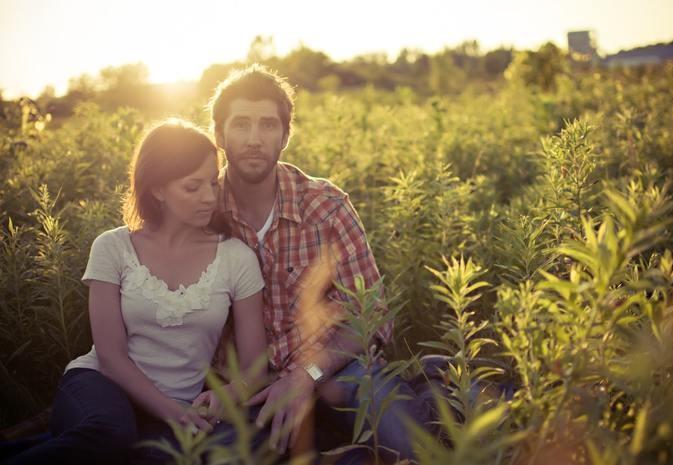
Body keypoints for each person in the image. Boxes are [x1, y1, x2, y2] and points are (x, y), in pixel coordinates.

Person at [3, 119, 268, 465]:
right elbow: (111, 357)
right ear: (157, 189)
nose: (209, 197)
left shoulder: (237, 258)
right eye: (192, 187)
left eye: (212, 184)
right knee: (111, 433)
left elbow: (255, 367)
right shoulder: (113, 247)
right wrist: (173, 412)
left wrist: (231, 393)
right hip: (99, 387)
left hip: (179, 406)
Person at [209, 64, 431, 463]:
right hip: (249, 388)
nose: (255, 139)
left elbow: (372, 315)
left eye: (268, 125)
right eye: (241, 124)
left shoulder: (325, 207)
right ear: (219, 134)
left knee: (414, 448)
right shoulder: (202, 213)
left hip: (336, 372)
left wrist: (305, 376)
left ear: (286, 135)